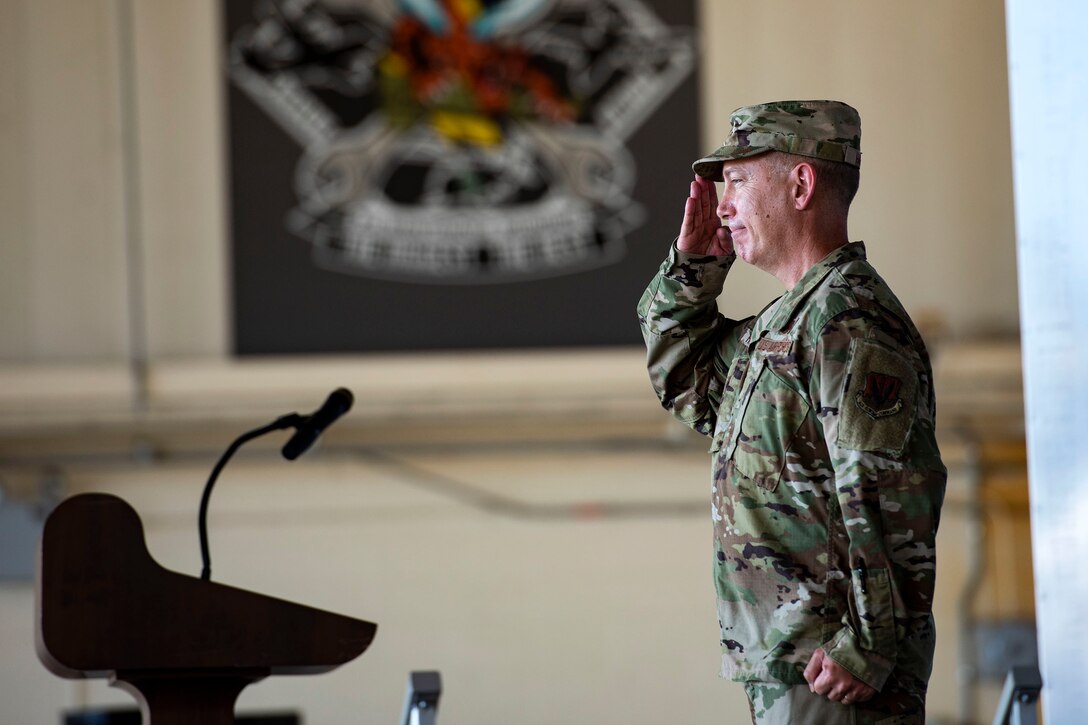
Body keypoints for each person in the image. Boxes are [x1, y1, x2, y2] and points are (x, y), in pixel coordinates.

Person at [637, 100, 946, 724]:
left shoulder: (849, 323)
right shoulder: (788, 324)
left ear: (801, 185)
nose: (724, 206)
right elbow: (686, 384)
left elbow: (883, 493)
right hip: (790, 666)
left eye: (740, 182)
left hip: (835, 674)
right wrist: (693, 270)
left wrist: (867, 645)